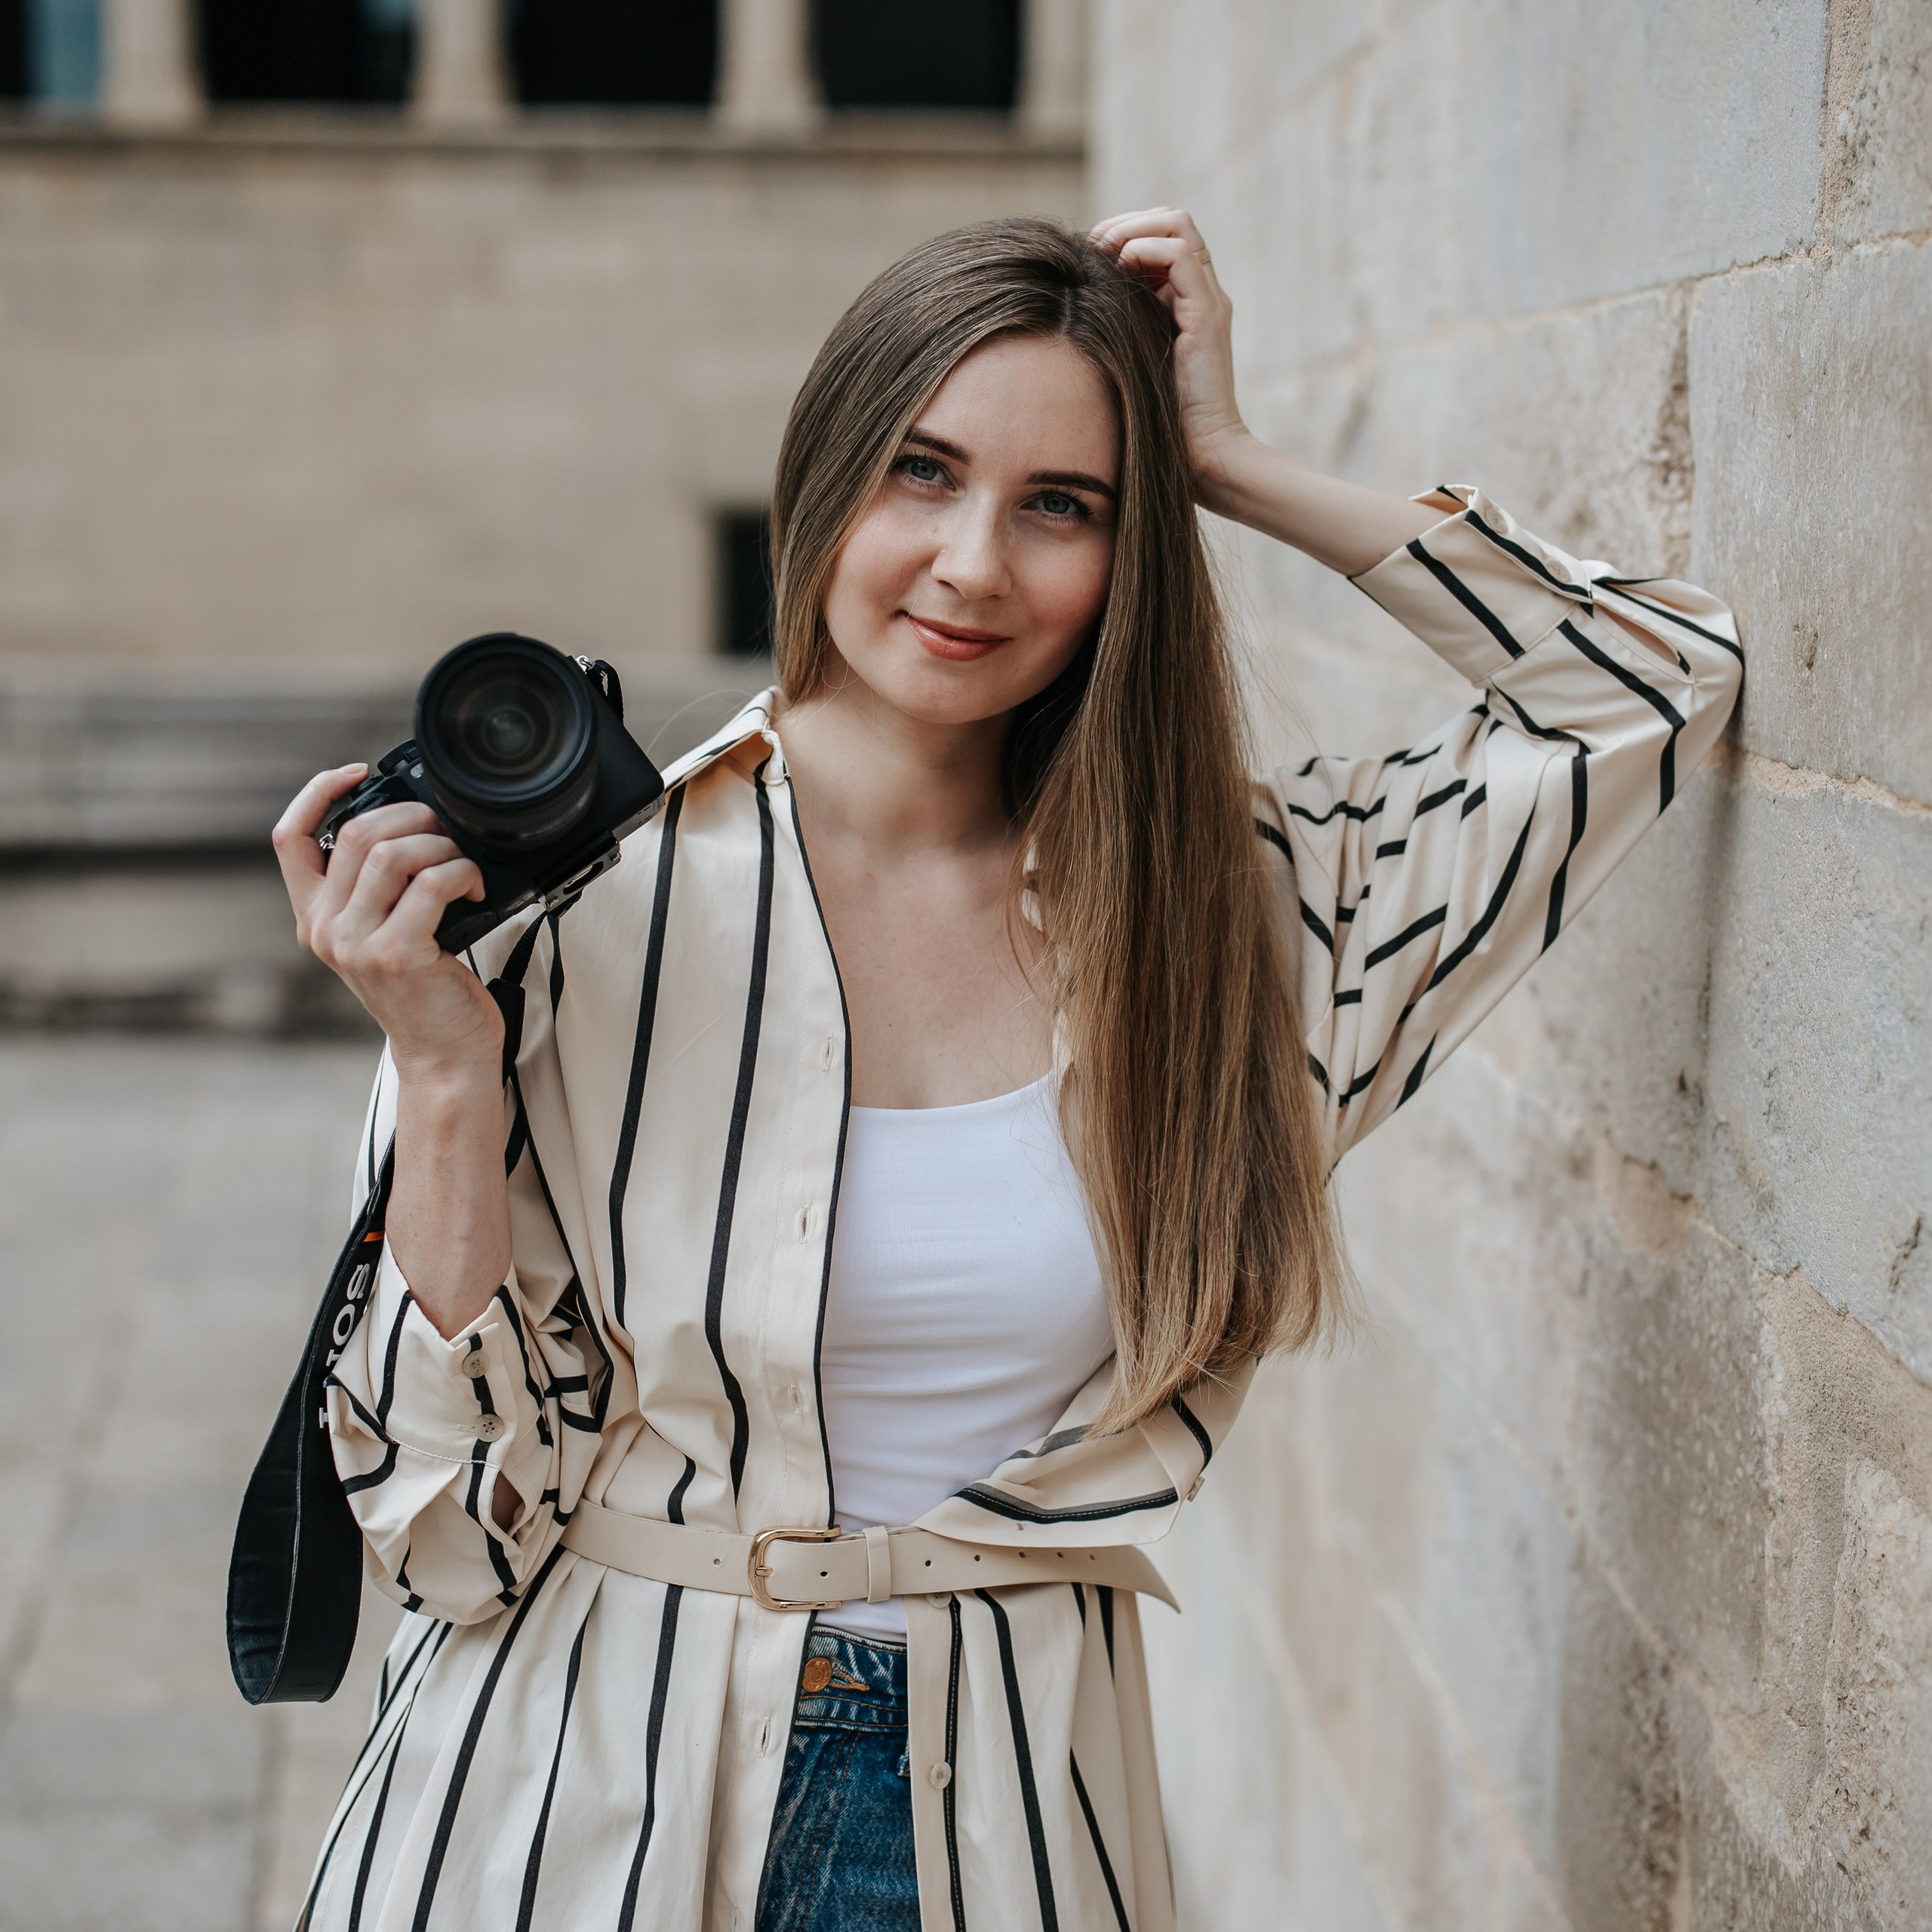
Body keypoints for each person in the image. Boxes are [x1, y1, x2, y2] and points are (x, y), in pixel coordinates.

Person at [272, 211, 1741, 1932]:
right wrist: (445, 1075)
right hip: (566, 1809)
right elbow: (447, 1536)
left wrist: (1232, 465)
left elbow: (1642, 683)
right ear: (823, 476)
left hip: (1011, 1817)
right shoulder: (571, 909)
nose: (973, 562)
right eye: (922, 471)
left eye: (1063, 506)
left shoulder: (1234, 928)